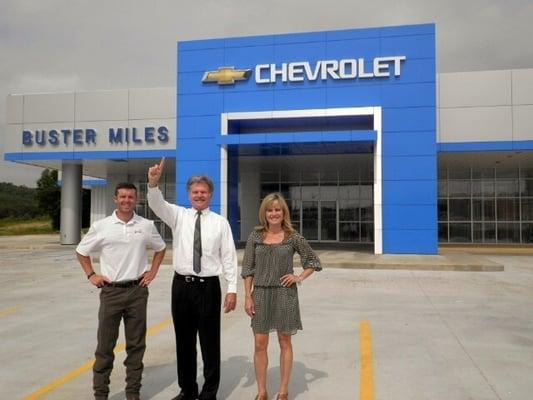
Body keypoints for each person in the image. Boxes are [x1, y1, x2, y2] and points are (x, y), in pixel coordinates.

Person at [146, 158, 238, 400]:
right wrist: (153, 183)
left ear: (211, 195)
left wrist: (232, 289)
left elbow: (229, 258)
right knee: (184, 343)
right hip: (182, 288)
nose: (199, 195)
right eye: (195, 192)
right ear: (189, 194)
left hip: (209, 288)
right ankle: (188, 391)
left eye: (204, 192)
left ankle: (209, 394)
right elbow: (156, 204)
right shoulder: (178, 215)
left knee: (210, 344)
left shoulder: (220, 223)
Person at [76, 182, 166, 400]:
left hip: (137, 292)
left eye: (131, 197)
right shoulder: (102, 226)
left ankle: (133, 392)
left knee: (136, 346)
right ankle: (101, 394)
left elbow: (161, 248)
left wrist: (152, 272)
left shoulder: (145, 225)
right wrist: (91, 275)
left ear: (137, 200)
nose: (127, 201)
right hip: (111, 292)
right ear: (115, 199)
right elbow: (81, 251)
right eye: (123, 197)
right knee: (105, 347)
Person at [242, 193, 322, 400]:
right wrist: (247, 296)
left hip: (285, 294)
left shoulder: (292, 236)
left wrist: (298, 277)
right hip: (259, 293)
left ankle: (283, 391)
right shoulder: (255, 236)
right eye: (270, 210)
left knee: (284, 341)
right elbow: (248, 268)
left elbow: (313, 261)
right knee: (260, 343)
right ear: (264, 213)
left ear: (283, 212)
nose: (274, 213)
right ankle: (262, 392)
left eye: (277, 209)